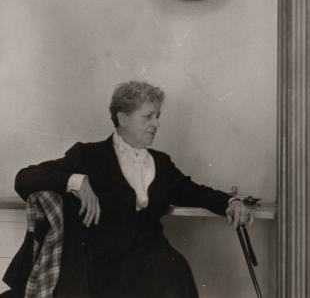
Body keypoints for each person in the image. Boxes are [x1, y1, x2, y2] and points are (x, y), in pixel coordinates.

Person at [13, 80, 253, 298]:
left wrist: (231, 203)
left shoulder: (161, 163)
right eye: (148, 116)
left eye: (157, 116)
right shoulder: (89, 156)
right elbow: (25, 178)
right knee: (168, 269)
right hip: (104, 270)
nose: (156, 124)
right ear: (122, 118)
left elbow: (196, 192)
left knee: (172, 266)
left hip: (152, 259)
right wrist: (77, 181)